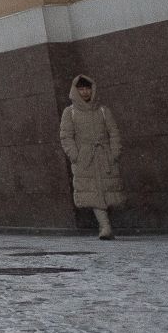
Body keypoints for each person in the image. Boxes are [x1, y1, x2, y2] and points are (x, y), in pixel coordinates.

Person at [59, 75, 124, 240]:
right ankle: (105, 226)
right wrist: (76, 156)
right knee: (93, 192)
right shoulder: (70, 112)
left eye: (87, 88)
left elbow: (114, 132)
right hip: (85, 159)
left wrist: (114, 153)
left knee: (107, 190)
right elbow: (66, 137)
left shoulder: (103, 110)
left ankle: (106, 224)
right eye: (81, 89)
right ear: (75, 91)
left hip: (104, 156)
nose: (85, 92)